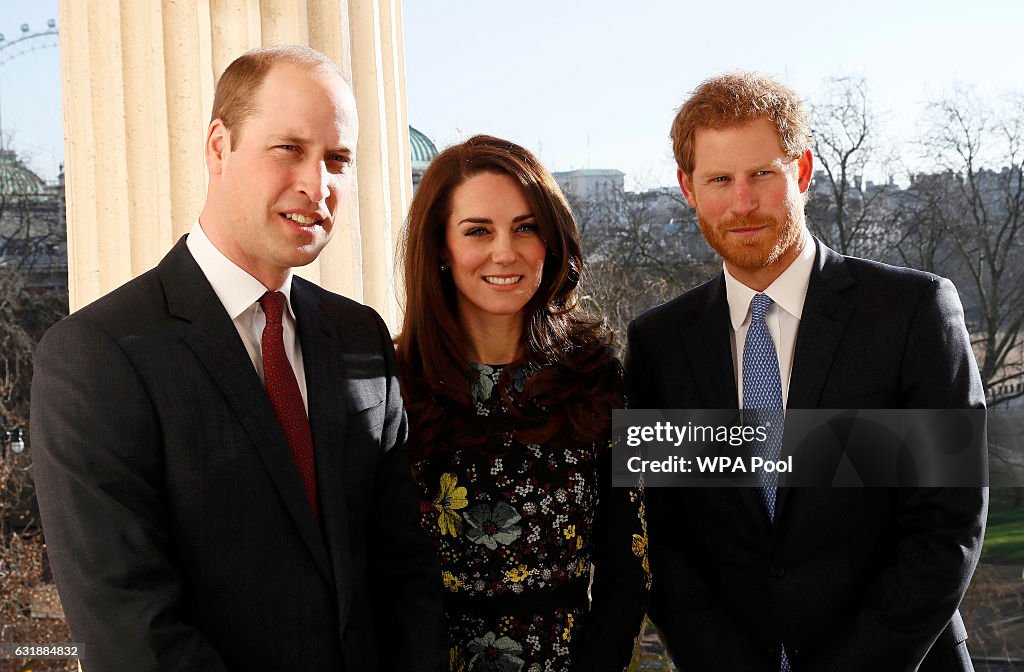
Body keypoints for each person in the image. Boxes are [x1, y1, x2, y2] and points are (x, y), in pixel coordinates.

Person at [30, 45, 446, 672]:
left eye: (337, 159)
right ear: (218, 147)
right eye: (289, 149)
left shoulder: (359, 337)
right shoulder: (96, 356)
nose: (317, 184)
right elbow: (128, 628)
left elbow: (404, 574)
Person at [627, 72, 987, 672]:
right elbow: (664, 541)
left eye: (762, 174)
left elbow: (946, 525)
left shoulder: (912, 311)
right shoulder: (658, 343)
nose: (741, 203)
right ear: (688, 188)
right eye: (719, 179)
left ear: (801, 172)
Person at [396, 134, 649, 671]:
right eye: (478, 231)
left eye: (525, 227)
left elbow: (628, 560)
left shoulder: (598, 377)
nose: (505, 252)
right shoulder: (394, 384)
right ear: (441, 247)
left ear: (551, 241)